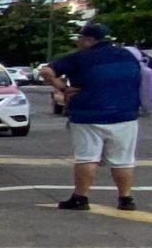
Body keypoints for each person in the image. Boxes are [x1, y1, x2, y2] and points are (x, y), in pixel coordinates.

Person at [38, 21, 145, 211]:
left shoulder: (79, 58)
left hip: (88, 114)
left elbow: (45, 71)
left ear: (88, 40)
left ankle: (80, 198)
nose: (78, 42)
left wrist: (61, 86)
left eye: (80, 38)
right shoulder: (128, 55)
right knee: (124, 159)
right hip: (126, 114)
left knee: (87, 158)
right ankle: (126, 199)